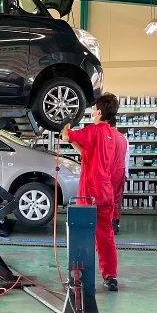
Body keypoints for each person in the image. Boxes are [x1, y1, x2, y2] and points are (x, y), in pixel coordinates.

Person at [61, 93, 119, 292]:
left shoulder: (92, 130)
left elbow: (66, 135)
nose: (92, 111)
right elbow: (85, 152)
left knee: (82, 234)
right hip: (106, 192)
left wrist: (66, 122)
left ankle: (80, 278)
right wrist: (74, 142)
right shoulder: (111, 136)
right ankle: (110, 277)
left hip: (90, 192)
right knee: (105, 235)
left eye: (94, 108)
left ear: (99, 112)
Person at [107, 107, 129, 235]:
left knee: (107, 199)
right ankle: (115, 223)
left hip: (110, 171)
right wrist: (125, 174)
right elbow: (127, 157)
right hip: (121, 171)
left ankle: (108, 224)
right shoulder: (123, 138)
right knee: (116, 199)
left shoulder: (108, 136)